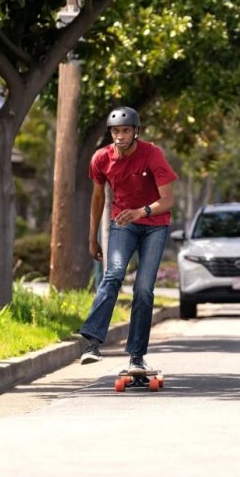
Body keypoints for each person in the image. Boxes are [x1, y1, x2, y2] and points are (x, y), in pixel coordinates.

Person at [79, 106, 177, 375]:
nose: (120, 136)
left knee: (144, 289)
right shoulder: (101, 158)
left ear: (136, 131)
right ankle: (92, 344)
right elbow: (98, 198)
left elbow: (167, 200)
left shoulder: (152, 154)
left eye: (125, 130)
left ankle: (136, 356)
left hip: (155, 226)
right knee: (113, 275)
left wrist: (141, 211)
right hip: (123, 224)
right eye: (115, 131)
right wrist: (93, 237)